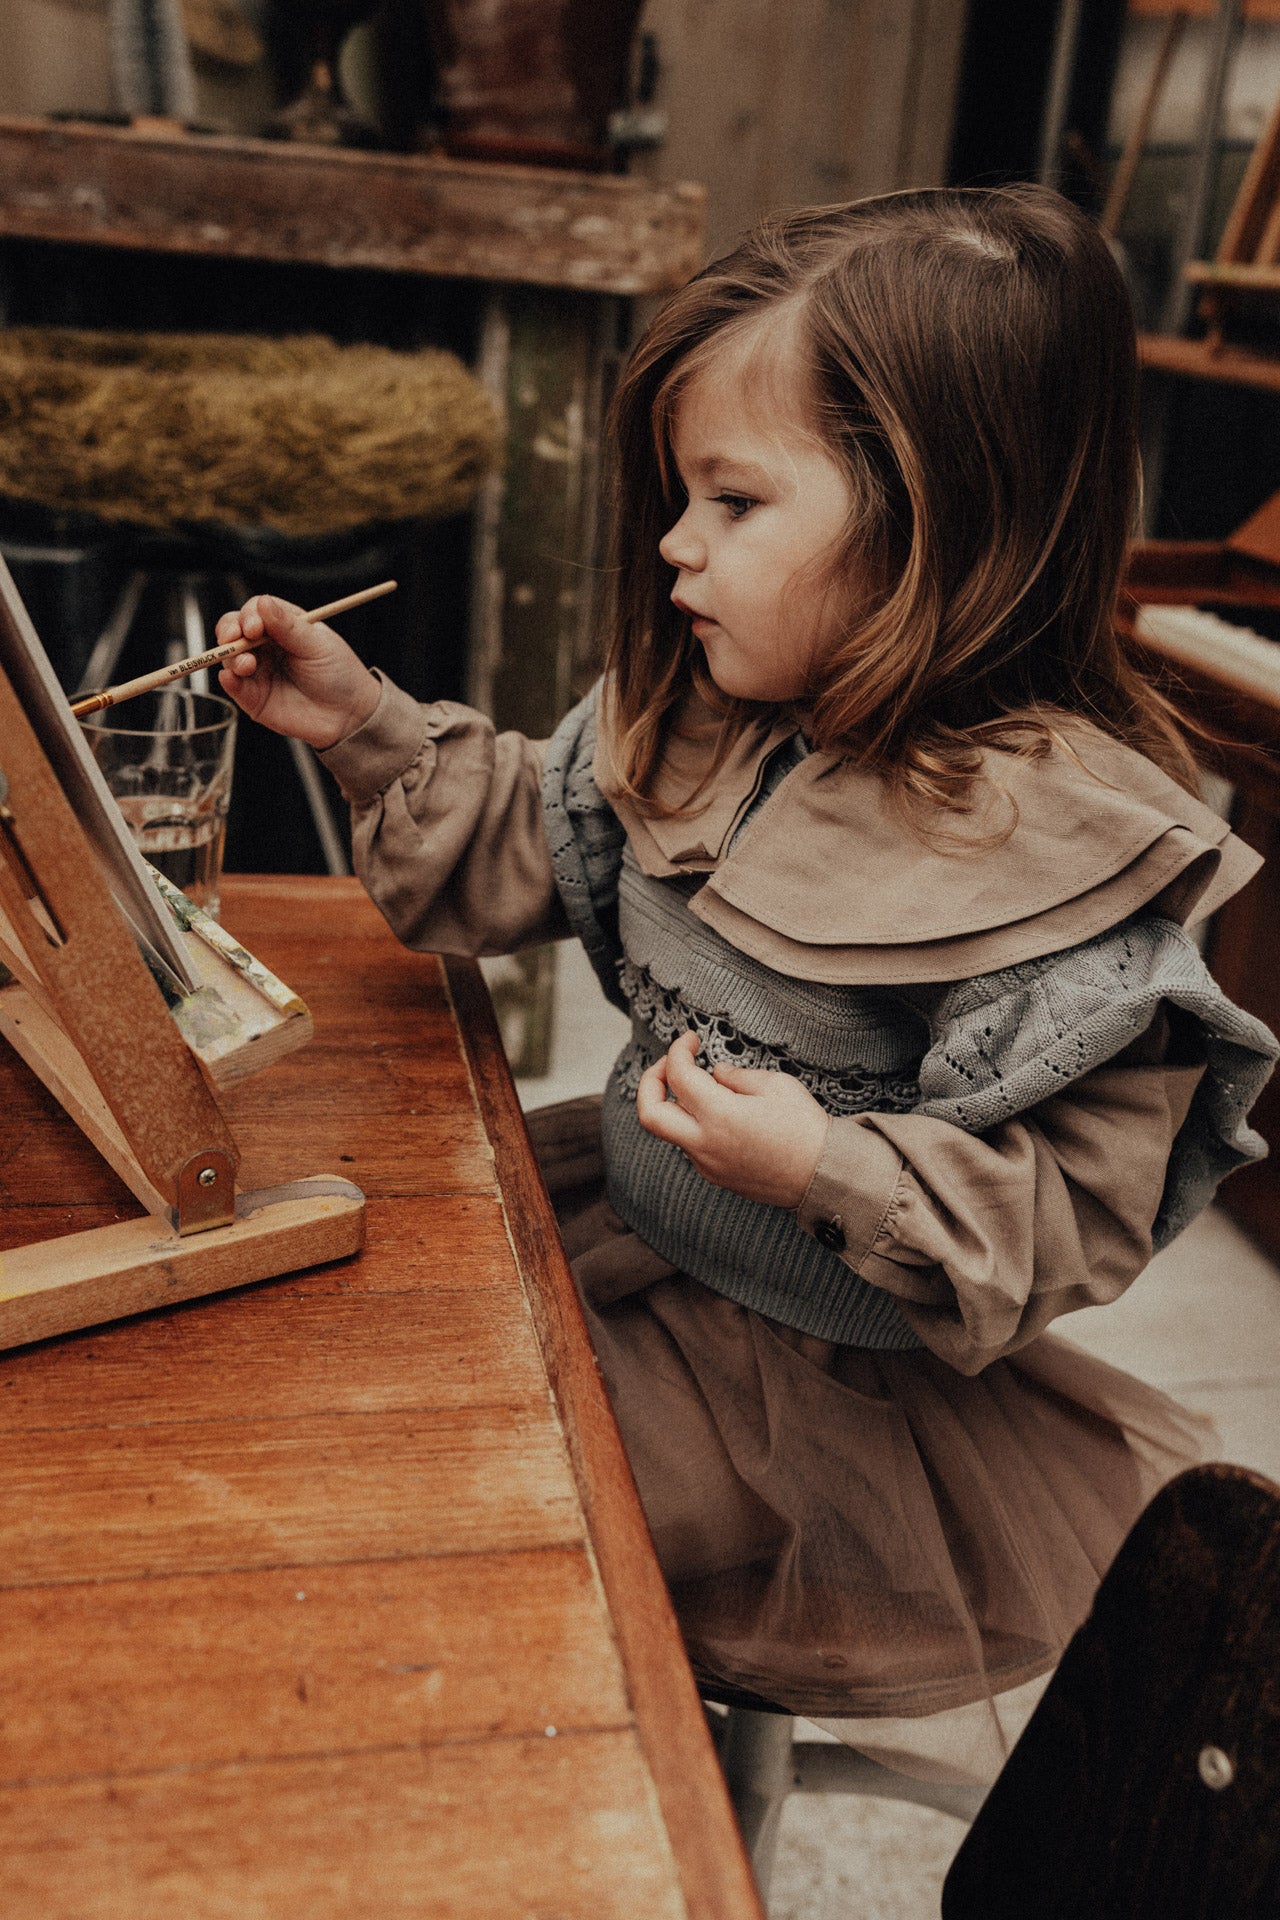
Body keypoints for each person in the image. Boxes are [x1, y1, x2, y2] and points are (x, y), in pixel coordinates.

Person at [215, 185, 1276, 1783]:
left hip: (808, 1393)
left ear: (942, 522)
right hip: (623, 1240)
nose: (675, 546)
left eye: (732, 502)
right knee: (356, 1364)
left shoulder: (1050, 850)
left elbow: (1069, 1206)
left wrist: (829, 1164)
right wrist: (369, 722)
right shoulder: (706, 708)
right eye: (677, 496)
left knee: (476, 1523)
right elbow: (534, 845)